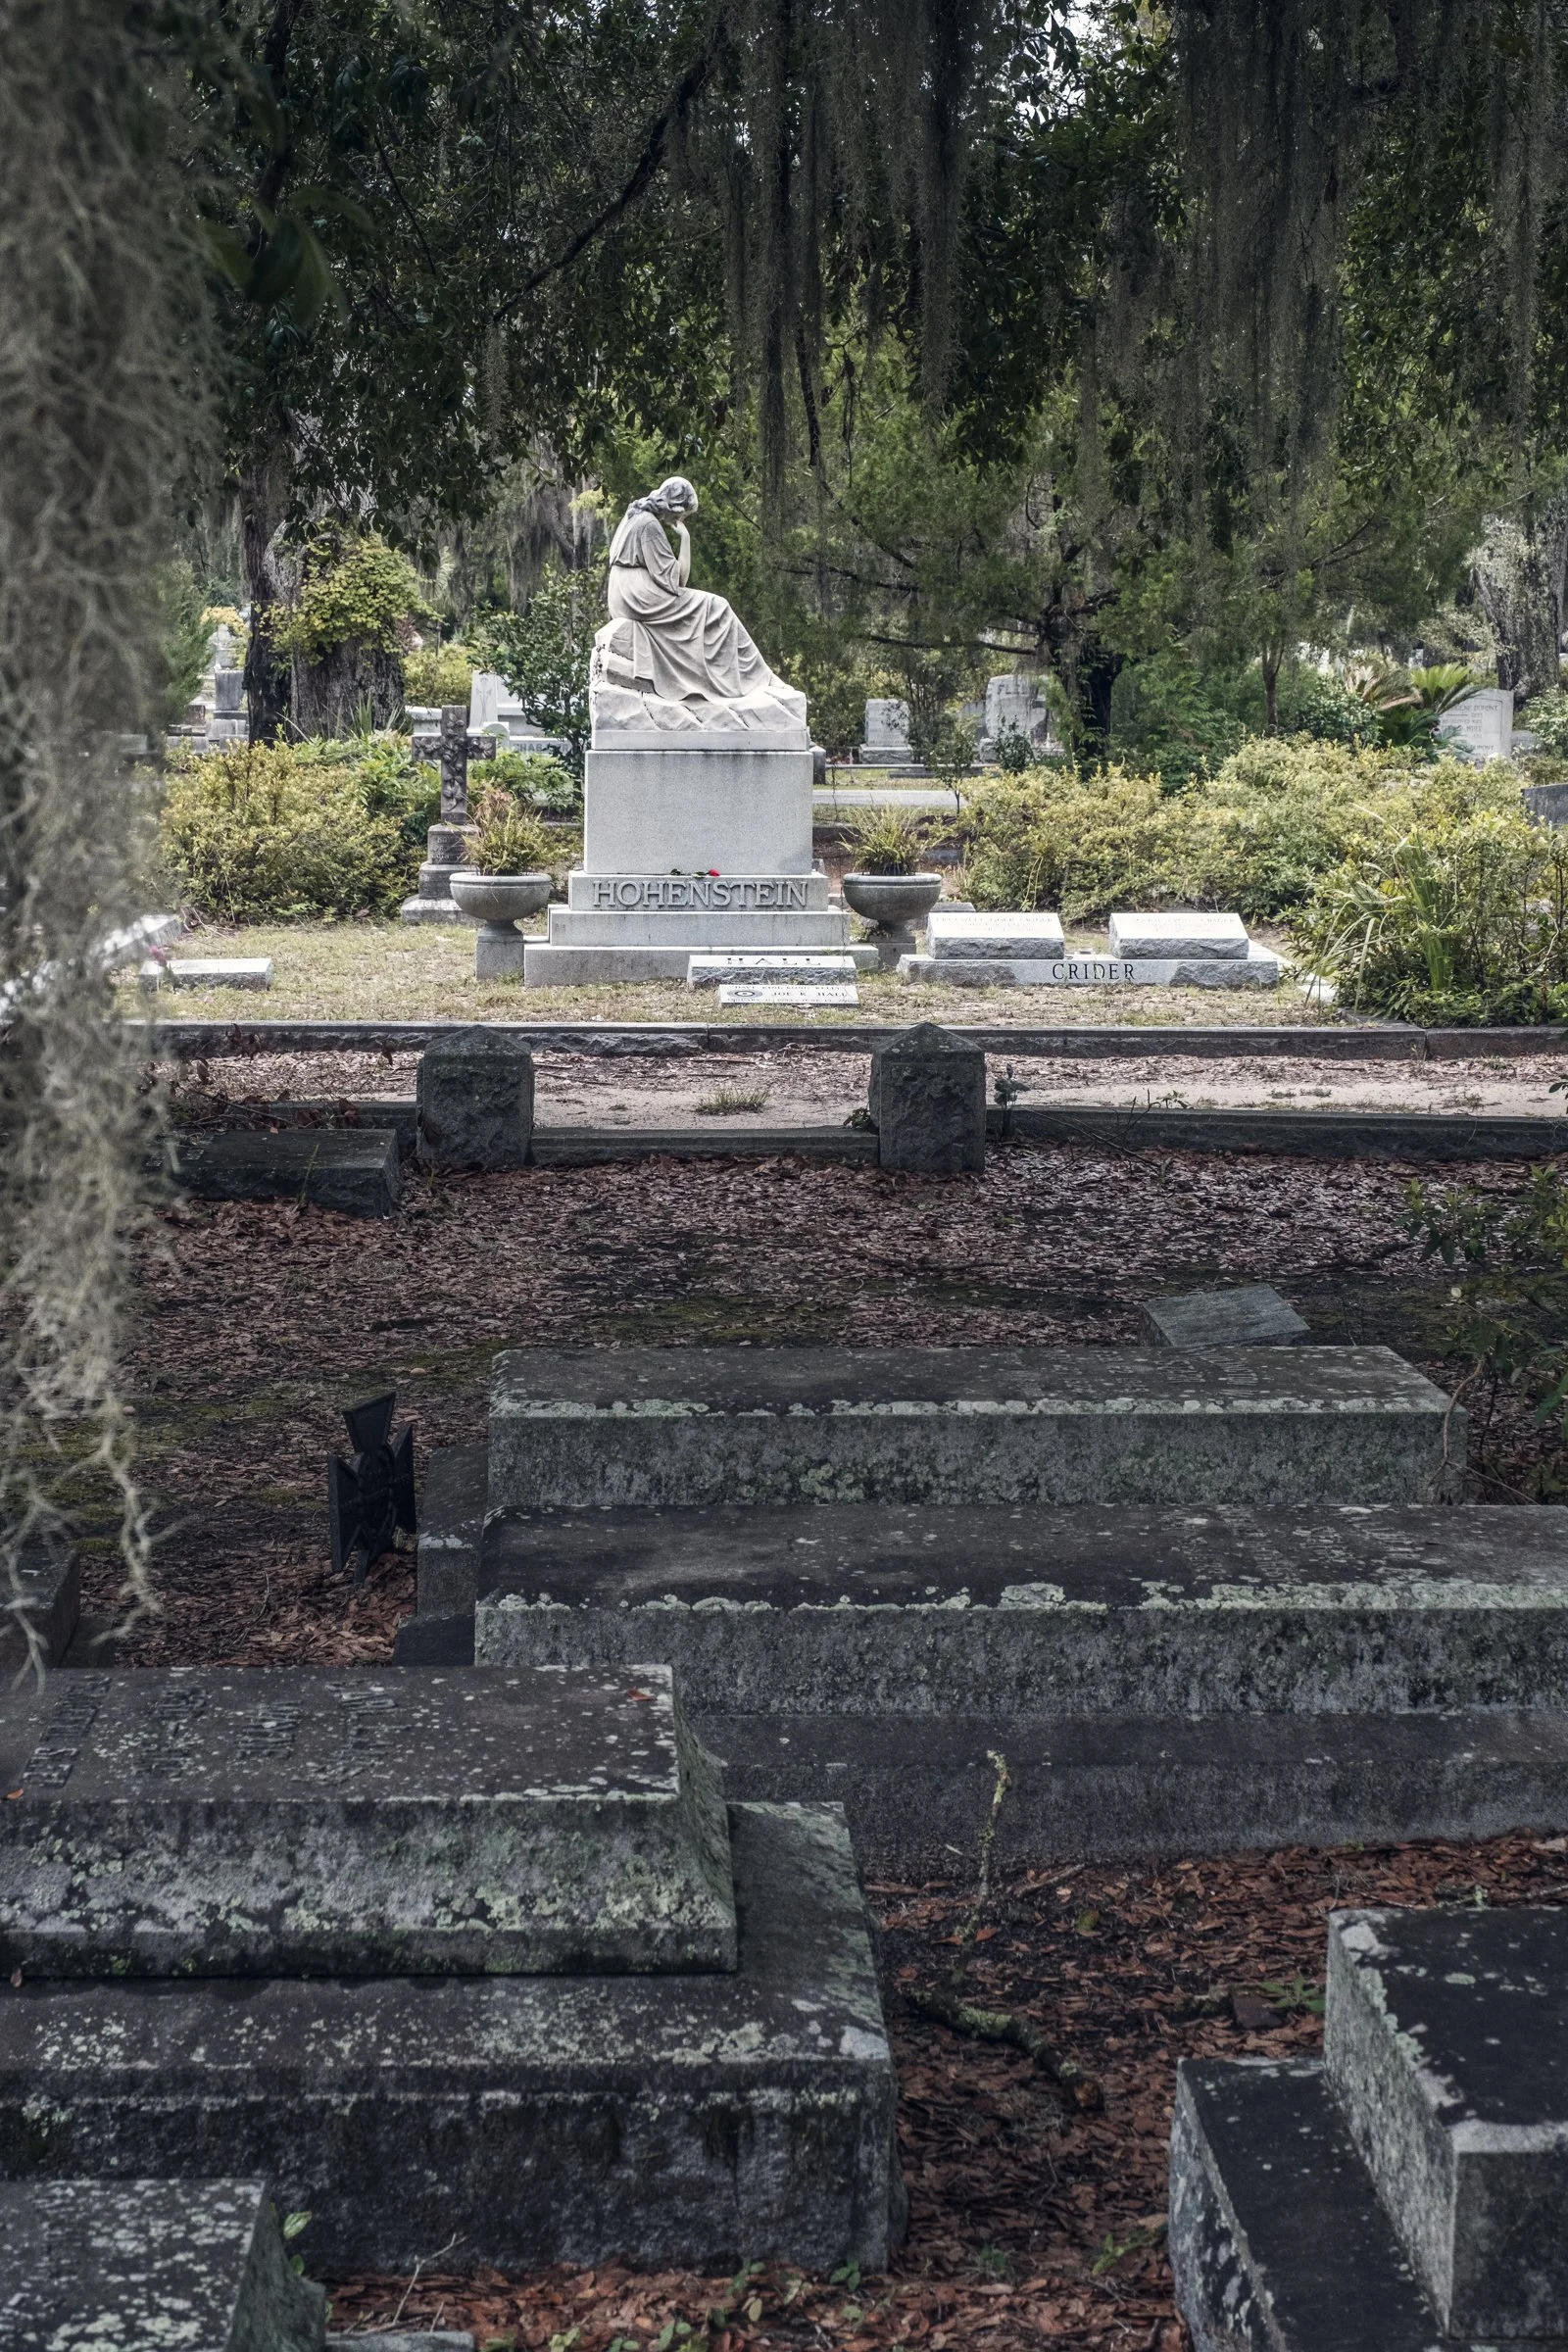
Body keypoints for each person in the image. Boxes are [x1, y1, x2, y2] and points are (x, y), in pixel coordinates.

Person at [594, 476, 807, 734]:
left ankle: (752, 678)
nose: (683, 520)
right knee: (716, 606)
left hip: (625, 592)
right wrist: (685, 538)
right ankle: (754, 679)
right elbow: (675, 580)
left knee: (710, 606)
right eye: (685, 515)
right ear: (676, 507)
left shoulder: (635, 515)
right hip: (639, 596)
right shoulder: (649, 525)